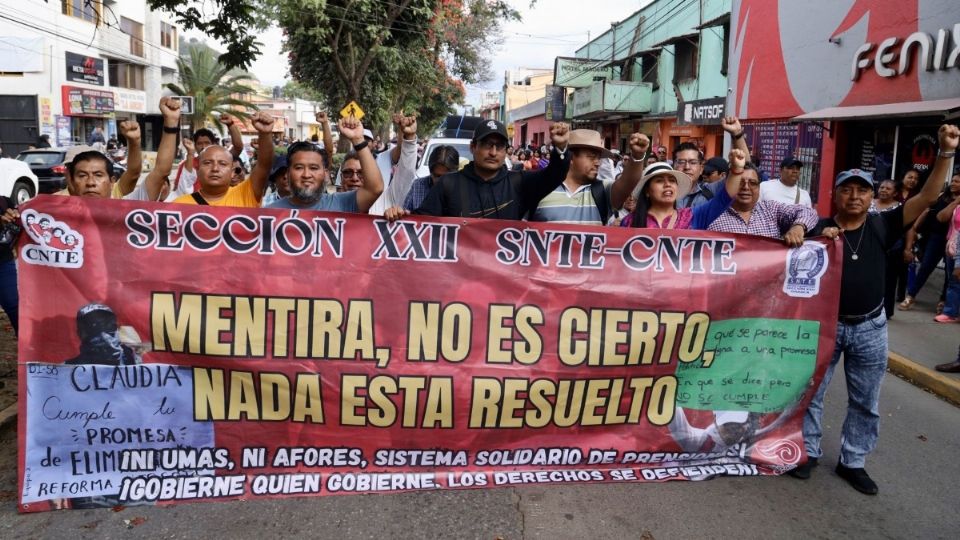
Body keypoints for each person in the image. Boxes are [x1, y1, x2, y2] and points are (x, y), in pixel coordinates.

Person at [793, 124, 958, 495]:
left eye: (862, 190)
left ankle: (853, 461)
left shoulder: (885, 225)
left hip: (870, 327)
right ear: (834, 195)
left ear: (871, 196)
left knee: (866, 401)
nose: (854, 196)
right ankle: (808, 451)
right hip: (824, 328)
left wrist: (946, 152)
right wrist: (811, 238)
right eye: (846, 189)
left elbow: (928, 195)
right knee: (810, 393)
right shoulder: (818, 229)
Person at [385, 120, 570, 221]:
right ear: (473, 147)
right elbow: (422, 221)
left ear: (506, 150)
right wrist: (400, 215)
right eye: (487, 145)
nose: (493, 152)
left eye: (499, 146)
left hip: (505, 276)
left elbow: (555, 175)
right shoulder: (449, 183)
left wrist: (561, 148)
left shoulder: (519, 182)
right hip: (458, 276)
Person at [267, 116, 383, 213]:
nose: (306, 175)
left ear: (326, 174)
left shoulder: (343, 203)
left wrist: (358, 140)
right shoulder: (270, 214)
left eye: (314, 168)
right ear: (288, 173)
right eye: (299, 168)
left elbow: (375, 189)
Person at [616, 146, 745, 230]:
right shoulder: (629, 222)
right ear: (647, 191)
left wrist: (737, 169)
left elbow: (725, 198)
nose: (667, 184)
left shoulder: (692, 216)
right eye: (659, 181)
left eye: (672, 180)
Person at [530, 129, 634, 226]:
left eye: (599, 158)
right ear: (571, 158)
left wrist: (637, 157)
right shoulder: (541, 188)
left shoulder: (603, 190)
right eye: (592, 157)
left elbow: (628, 183)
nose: (597, 163)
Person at [172, 111, 275, 207]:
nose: (215, 168)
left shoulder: (246, 194)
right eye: (207, 163)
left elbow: (264, 166)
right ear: (197, 170)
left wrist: (265, 134)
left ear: (232, 171)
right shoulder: (180, 205)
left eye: (222, 164)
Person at [707, 162, 818, 245]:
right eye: (740, 182)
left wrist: (798, 227)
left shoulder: (771, 209)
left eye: (752, 183)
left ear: (759, 187)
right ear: (728, 184)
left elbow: (808, 212)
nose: (746, 187)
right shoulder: (711, 214)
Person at [900, 172, 960, 312]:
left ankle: (943, 300)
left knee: (949, 273)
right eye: (953, 180)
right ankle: (911, 295)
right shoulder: (942, 196)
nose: (953, 183)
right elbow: (928, 212)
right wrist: (915, 228)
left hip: (954, 240)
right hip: (936, 237)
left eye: (957, 181)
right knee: (926, 266)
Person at [120, 97, 182, 202]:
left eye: (98, 175)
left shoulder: (119, 200)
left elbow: (161, 171)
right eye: (83, 175)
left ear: (111, 181)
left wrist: (171, 122)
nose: (91, 183)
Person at [680, 117, 748, 208]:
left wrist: (737, 134)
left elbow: (745, 168)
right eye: (681, 162)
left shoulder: (710, 191)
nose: (687, 167)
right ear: (673, 165)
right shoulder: (663, 193)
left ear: (701, 169)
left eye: (693, 162)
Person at [64, 303, 141, 366]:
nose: (104, 335)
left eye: (109, 325)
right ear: (81, 333)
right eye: (94, 327)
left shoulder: (133, 362)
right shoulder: (66, 371)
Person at [402, 145, 459, 211]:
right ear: (431, 173)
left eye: (446, 177)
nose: (442, 181)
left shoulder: (464, 189)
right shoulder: (417, 186)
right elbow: (405, 213)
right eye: (437, 176)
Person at [0, 196, 19, 334]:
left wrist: (16, 217)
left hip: (3, 262)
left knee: (14, 307)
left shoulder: (4, 202)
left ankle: (27, 344)